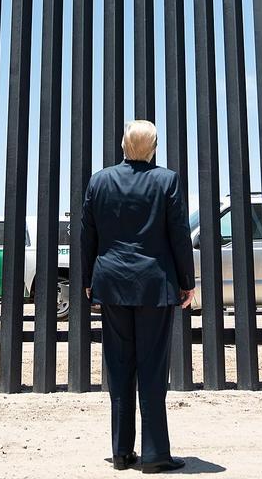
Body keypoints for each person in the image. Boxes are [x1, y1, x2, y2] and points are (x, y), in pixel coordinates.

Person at [81, 120, 196, 474]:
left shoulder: (100, 180)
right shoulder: (167, 180)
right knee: (152, 368)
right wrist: (187, 282)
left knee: (119, 368)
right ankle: (155, 454)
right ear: (154, 147)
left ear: (123, 144)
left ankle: (120, 453)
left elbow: (88, 233)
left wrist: (87, 279)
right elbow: (179, 235)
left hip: (112, 284)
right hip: (154, 286)